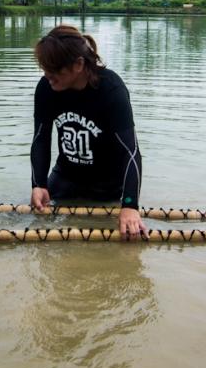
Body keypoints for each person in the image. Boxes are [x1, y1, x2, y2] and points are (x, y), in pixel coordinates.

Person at [30, 25, 148, 239]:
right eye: (45, 69)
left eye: (55, 70)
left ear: (78, 64)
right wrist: (38, 184)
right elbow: (41, 138)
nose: (48, 75)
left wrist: (130, 205)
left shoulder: (111, 89)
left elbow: (131, 151)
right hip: (64, 178)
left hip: (107, 187)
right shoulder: (46, 88)